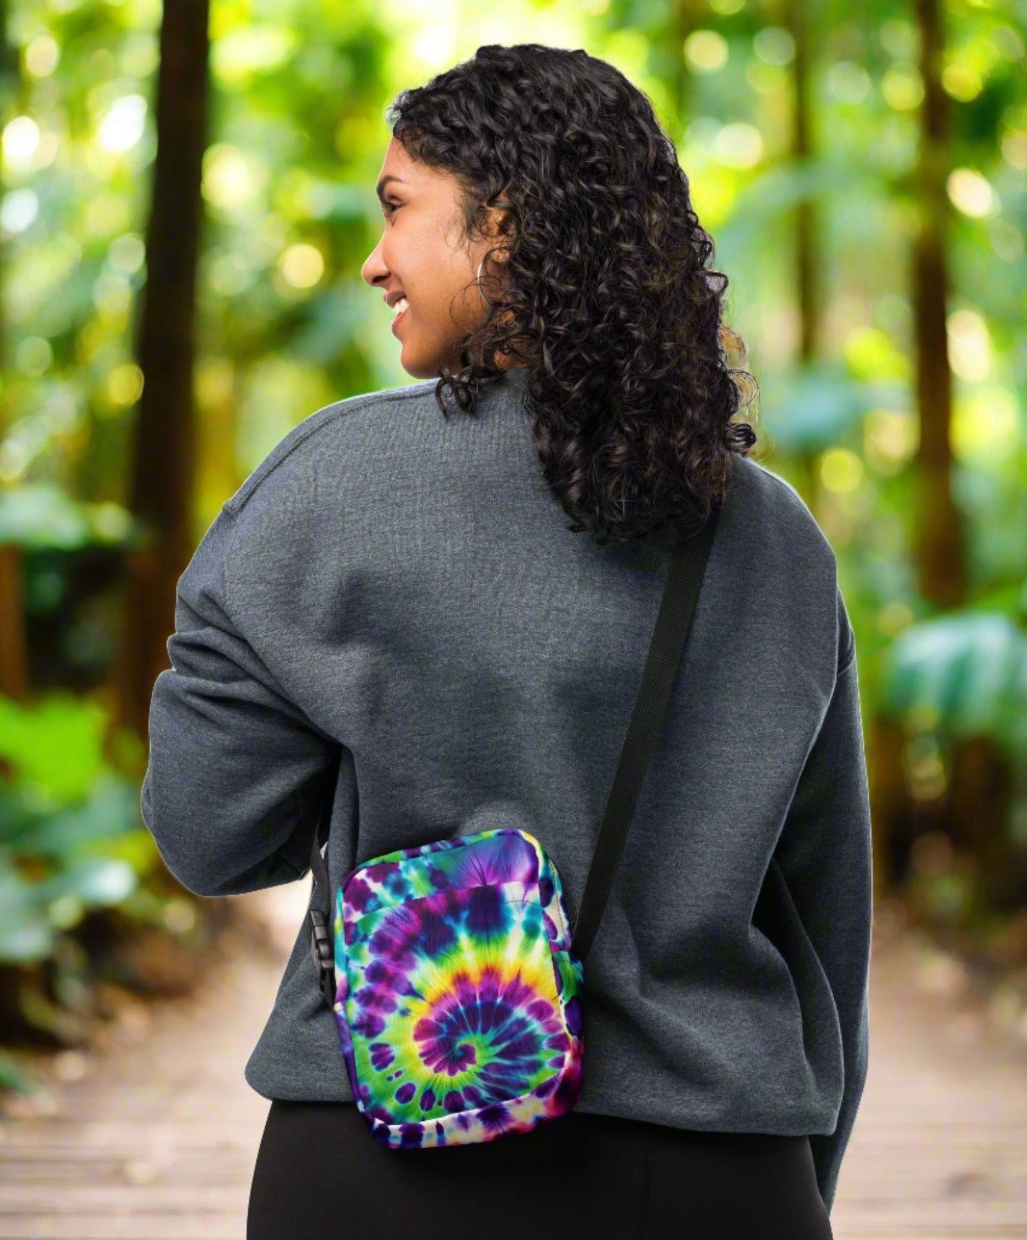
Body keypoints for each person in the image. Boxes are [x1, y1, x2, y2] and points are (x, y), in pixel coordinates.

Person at [141, 43, 871, 1239]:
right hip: (711, 1164)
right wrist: (792, 1175)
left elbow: (211, 834)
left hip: (383, 1152)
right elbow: (825, 921)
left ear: (503, 228)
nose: (373, 261)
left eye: (395, 210)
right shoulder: (772, 537)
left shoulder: (330, 484)